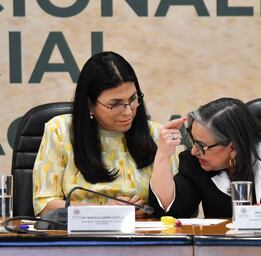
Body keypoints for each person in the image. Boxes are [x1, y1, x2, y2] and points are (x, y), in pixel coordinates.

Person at [33, 51, 179, 217]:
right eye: (115, 104)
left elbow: (174, 208)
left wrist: (147, 211)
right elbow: (44, 206)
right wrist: (102, 211)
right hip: (81, 238)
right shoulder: (60, 131)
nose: (128, 111)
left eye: (133, 99)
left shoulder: (157, 134)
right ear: (90, 104)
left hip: (145, 236)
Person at [151, 97, 261, 218]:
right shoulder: (195, 163)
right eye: (193, 141)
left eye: (202, 146)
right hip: (224, 251)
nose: (194, 151)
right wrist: (163, 155)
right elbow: (170, 212)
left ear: (233, 147)